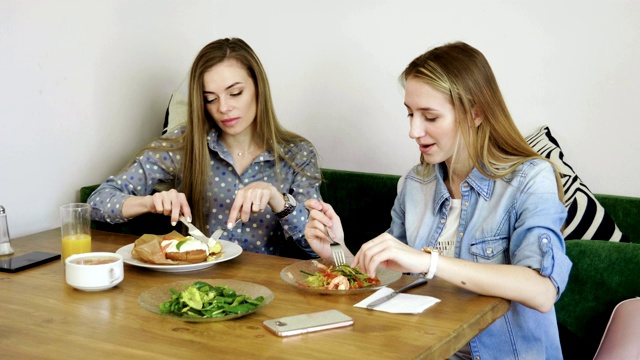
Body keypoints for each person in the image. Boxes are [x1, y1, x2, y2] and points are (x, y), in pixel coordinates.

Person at [304, 42, 572, 359]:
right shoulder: (416, 184)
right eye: (410, 114)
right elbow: (389, 282)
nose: (414, 130)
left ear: (476, 113)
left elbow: (542, 291)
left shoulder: (530, 179)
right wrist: (338, 251)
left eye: (430, 116)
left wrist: (429, 262)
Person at [88, 37, 323, 256]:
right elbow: (97, 202)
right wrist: (149, 202)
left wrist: (278, 200)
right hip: (200, 287)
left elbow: (319, 247)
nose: (223, 108)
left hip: (269, 288)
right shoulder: (184, 145)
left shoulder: (297, 153)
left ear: (258, 89)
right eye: (210, 98)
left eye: (235, 93)